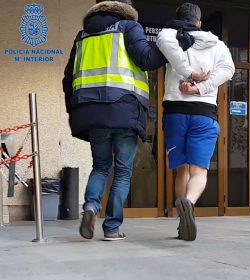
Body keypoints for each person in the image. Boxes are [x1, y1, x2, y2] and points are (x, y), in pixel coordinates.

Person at [62, 0, 166, 241]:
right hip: (124, 110)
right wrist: (169, 46)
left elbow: (68, 79)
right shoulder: (129, 28)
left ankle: (90, 207)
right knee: (122, 172)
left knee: (100, 166)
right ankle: (112, 228)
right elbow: (146, 60)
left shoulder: (82, 36)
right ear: (126, 11)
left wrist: (74, 111)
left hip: (91, 112)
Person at [157, 2, 235, 241]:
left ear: (178, 19)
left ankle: (183, 221)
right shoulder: (217, 45)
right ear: (199, 22)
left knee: (182, 169)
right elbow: (228, 70)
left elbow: (162, 38)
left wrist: (190, 79)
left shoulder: (171, 36)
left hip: (175, 112)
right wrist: (200, 88)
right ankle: (189, 203)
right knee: (198, 171)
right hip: (204, 113)